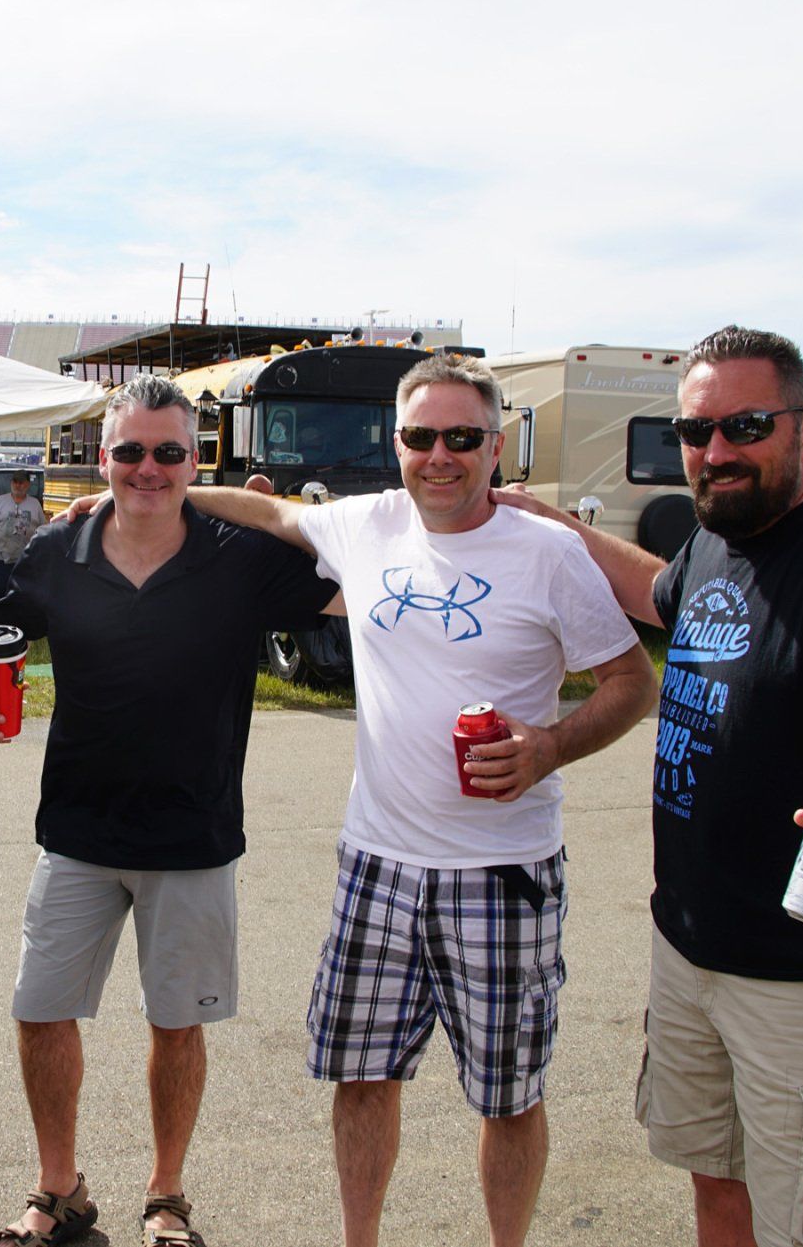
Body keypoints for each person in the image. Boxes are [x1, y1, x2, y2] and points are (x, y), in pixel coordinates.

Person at [496, 325, 803, 1247]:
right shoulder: (718, 537)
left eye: (746, 425)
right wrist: (557, 527)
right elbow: (665, 596)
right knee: (718, 1183)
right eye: (695, 432)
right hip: (694, 949)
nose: (716, 452)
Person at [147, 352, 656, 1247]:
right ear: (397, 443)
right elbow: (267, 509)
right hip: (376, 867)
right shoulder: (368, 524)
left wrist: (546, 749)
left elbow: (629, 680)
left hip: (502, 874)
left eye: (464, 437)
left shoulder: (549, 552)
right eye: (421, 437)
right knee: (362, 1077)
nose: (441, 456)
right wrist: (145, 496)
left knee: (508, 1093)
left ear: (497, 445)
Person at [0, 375, 339, 1247]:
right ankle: (59, 1186)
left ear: (195, 458)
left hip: (193, 833)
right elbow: (4, 633)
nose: (148, 468)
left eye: (169, 452)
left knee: (178, 1023)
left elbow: (361, 577)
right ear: (104, 459)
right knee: (40, 1008)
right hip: (78, 828)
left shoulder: (238, 555)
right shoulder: (61, 551)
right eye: (130, 451)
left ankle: (167, 1194)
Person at [0, 471, 43, 602]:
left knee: (23, 596)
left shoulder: (35, 504)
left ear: (27, 484)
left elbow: (42, 529)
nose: (18, 485)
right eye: (15, 482)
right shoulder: (0, 501)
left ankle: (18, 621)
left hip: (25, 559)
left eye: (21, 482)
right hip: (2, 559)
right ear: (11, 483)